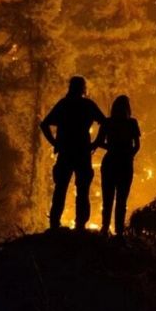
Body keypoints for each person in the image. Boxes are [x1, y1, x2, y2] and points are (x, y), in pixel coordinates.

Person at [40, 76, 106, 231]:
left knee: (60, 188)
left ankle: (55, 224)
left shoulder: (64, 104)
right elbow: (105, 122)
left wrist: (54, 143)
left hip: (66, 151)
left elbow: (44, 124)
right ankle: (80, 226)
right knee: (82, 190)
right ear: (83, 88)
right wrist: (97, 142)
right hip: (82, 152)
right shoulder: (87, 105)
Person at [91, 95, 140, 238]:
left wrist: (111, 147)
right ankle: (119, 232)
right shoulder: (132, 123)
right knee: (121, 200)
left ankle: (105, 229)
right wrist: (129, 154)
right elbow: (137, 145)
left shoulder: (107, 122)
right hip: (125, 164)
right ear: (127, 108)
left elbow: (98, 142)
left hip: (110, 162)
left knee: (107, 199)